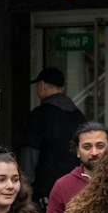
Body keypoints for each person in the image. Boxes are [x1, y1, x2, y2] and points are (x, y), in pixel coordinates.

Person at [21, 67, 88, 205]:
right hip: (77, 190)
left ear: (42, 86)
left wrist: (23, 190)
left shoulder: (39, 116)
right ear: (63, 88)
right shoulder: (79, 117)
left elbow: (29, 158)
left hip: (45, 192)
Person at [42, 122, 108, 213]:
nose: (94, 152)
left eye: (100, 146)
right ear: (78, 151)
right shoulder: (63, 185)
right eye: (87, 147)